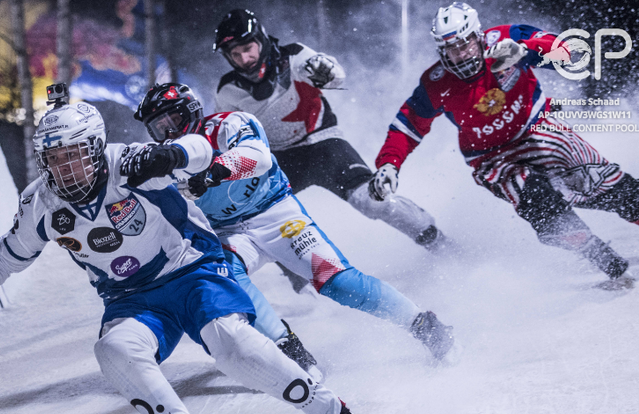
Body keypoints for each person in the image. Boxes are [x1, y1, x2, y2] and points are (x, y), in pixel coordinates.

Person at [0, 87, 376, 414]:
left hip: (191, 269)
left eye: (75, 155)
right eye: (55, 159)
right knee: (114, 351)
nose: (66, 169)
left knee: (232, 345)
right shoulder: (41, 203)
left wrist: (173, 154)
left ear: (95, 148)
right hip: (130, 298)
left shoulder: (129, 163)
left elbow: (201, 150)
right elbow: (6, 255)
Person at [128, 83, 458, 374]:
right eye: (159, 128)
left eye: (174, 120)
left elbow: (259, 157)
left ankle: (425, 325)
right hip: (229, 232)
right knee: (225, 280)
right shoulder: (162, 160)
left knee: (338, 283)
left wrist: (214, 171)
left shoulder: (230, 123)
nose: (170, 133)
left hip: (277, 215)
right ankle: (293, 354)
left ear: (191, 110)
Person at [373, 2, 639, 281]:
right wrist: (389, 164)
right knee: (535, 197)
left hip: (537, 129)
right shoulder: (436, 83)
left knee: (609, 185)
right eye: (451, 49)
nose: (461, 54)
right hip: (491, 158)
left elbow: (569, 53)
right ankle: (596, 252)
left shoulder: (506, 39)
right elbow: (407, 126)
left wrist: (527, 51)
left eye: (465, 44)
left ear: (478, 36)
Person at [212, 9, 450, 266]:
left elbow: (336, 77)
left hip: (323, 144)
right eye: (235, 55)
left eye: (248, 48)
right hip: (278, 162)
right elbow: (225, 140)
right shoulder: (227, 91)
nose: (244, 59)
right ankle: (298, 283)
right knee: (253, 220)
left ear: (261, 39)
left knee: (373, 201)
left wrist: (325, 70)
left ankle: (439, 242)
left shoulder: (293, 55)